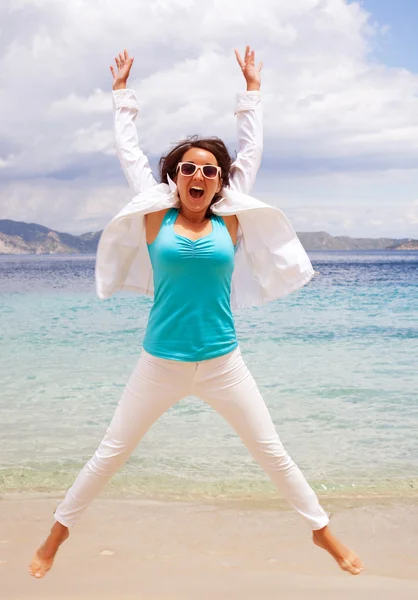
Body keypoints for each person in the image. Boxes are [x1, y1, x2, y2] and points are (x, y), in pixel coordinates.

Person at [29, 47, 363, 579]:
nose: (198, 175)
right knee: (109, 455)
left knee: (272, 454)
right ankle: (54, 536)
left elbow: (250, 154)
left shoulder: (229, 220)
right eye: (189, 168)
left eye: (209, 170)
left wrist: (251, 91)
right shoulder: (153, 216)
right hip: (158, 364)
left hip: (223, 364)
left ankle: (324, 533)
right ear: (175, 176)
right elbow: (129, 156)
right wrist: (122, 97)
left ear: (219, 180)